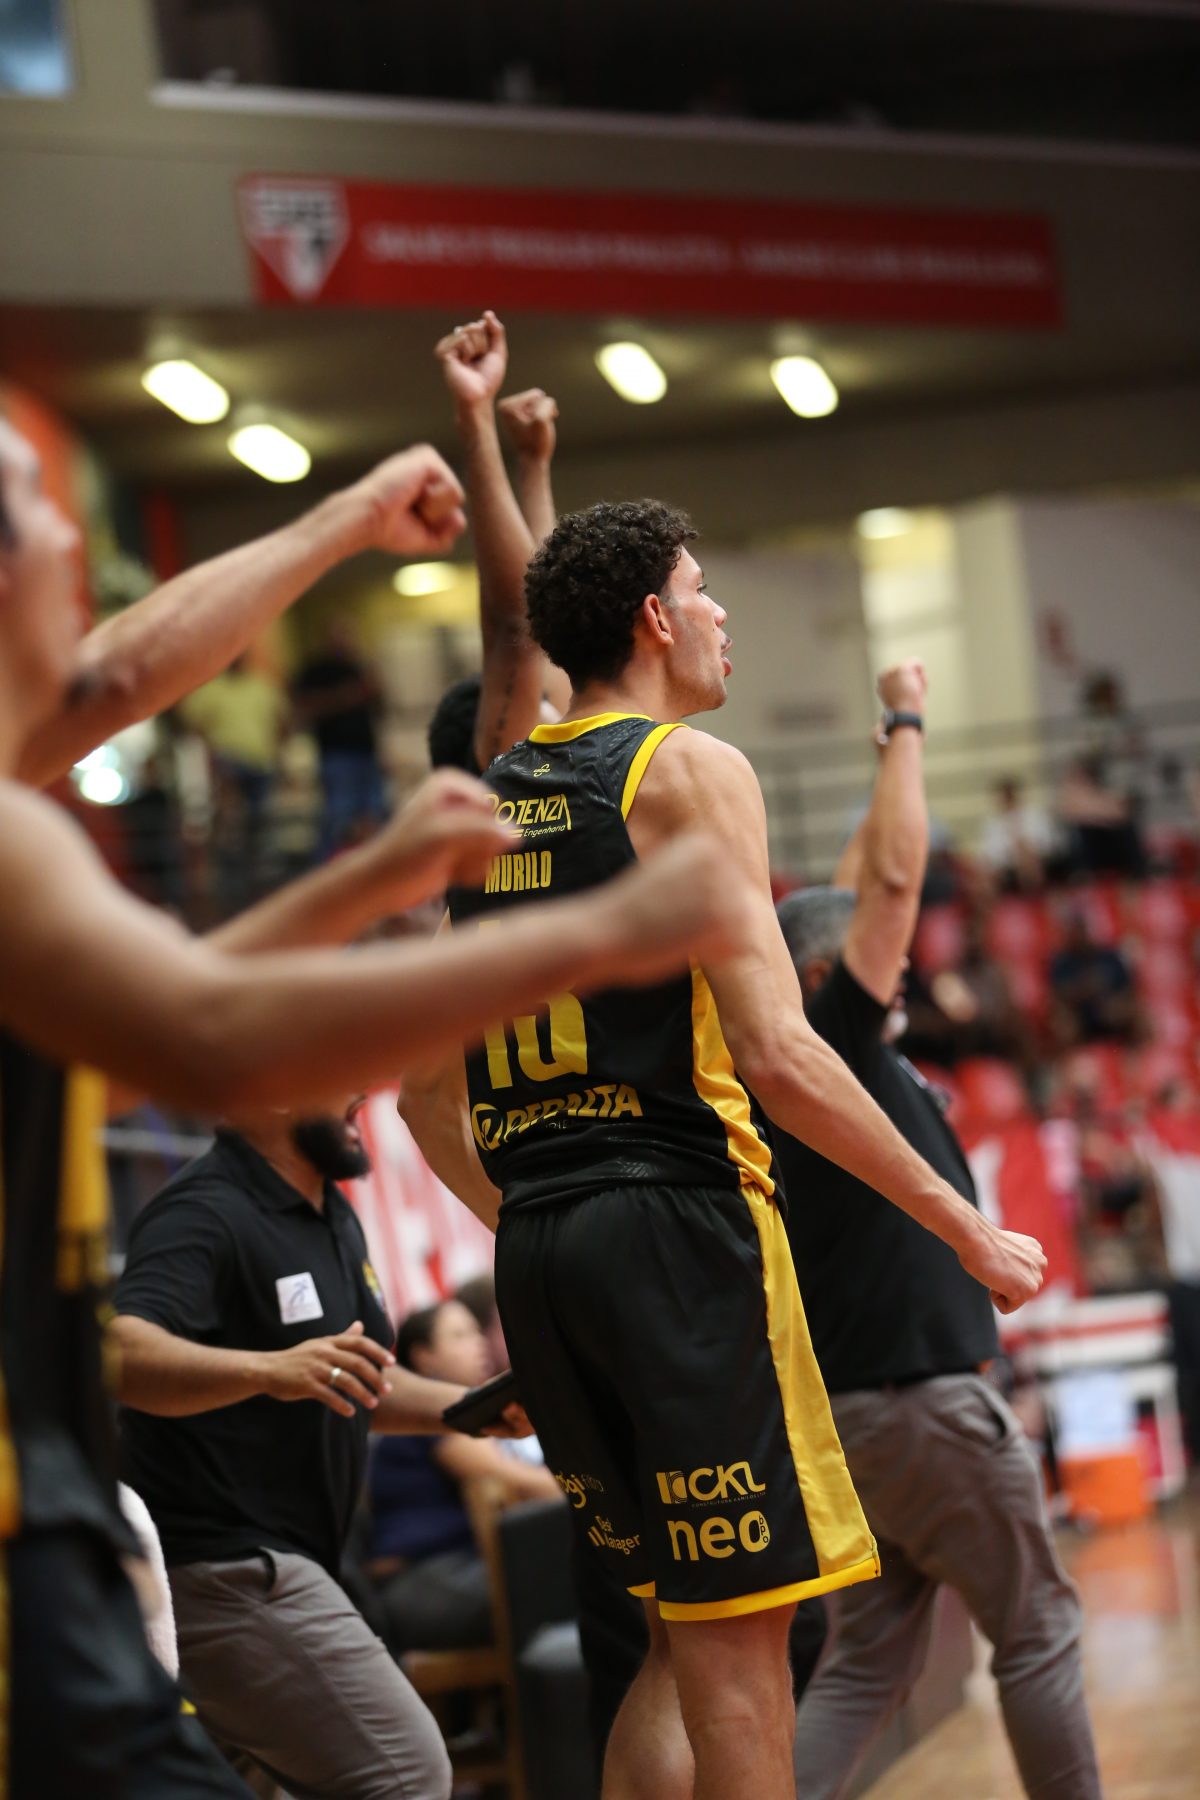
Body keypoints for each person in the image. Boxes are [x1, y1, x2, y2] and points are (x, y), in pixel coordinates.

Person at [0, 422, 737, 1796]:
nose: (71, 535)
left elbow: (130, 689)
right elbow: (208, 1034)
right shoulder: (14, 846)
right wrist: (602, 932)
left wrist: (341, 525)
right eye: (39, 500)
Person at [401, 499, 1046, 1799]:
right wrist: (965, 1227)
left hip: (542, 1249)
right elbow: (779, 1054)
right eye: (702, 589)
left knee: (671, 1639)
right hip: (681, 1239)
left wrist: (545, 1216)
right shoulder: (689, 772)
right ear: (653, 617)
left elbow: (423, 1101)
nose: (719, 612)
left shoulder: (492, 797)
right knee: (746, 1648)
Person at [773, 660, 1100, 1800]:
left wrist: (887, 769)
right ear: (829, 975)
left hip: (856, 1420)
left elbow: (859, 883)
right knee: (1039, 1628)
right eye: (886, 960)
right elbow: (893, 883)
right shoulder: (834, 1041)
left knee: (868, 1661)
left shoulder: (798, 1059)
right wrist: (909, 721)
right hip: (924, 1406)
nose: (904, 969)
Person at [114, 1099, 533, 1800]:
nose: (360, 1094)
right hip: (220, 1563)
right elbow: (123, 1354)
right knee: (406, 1771)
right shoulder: (202, 1210)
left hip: (291, 1558)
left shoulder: (332, 1212)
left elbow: (363, 1380)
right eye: (337, 1077)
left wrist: (472, 1411)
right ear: (275, 1088)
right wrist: (268, 1369)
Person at [365, 1298, 560, 1659]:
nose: (479, 1344)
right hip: (422, 1583)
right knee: (568, 1579)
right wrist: (591, 1487)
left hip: (464, 1568)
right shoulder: (428, 1417)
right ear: (424, 1357)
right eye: (459, 1335)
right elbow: (519, 1481)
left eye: (476, 1332)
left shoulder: (472, 1414)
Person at [425, 311, 569, 776]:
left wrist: (533, 464)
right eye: (540, 708)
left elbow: (550, 630)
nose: (559, 718)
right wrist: (474, 413)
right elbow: (520, 623)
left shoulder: (548, 761)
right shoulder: (501, 766)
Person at [292, 622, 388, 859]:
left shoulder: (358, 668)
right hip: (336, 754)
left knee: (373, 813)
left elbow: (379, 709)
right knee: (339, 815)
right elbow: (304, 709)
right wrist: (345, 697)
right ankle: (327, 865)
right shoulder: (315, 671)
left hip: (366, 752)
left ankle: (373, 865)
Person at [1049, 912, 1140, 1047]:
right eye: (1075, 930)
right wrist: (1085, 988)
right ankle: (1073, 1058)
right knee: (1063, 1024)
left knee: (1136, 1014)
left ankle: (1138, 1056)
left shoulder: (1110, 957)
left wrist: (1117, 1004)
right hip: (1079, 1015)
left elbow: (1129, 989)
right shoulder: (1062, 962)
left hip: (1110, 1011)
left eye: (1082, 929)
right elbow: (1059, 995)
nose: (1079, 935)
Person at [979, 775, 1060, 891]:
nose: (1007, 801)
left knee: (1027, 855)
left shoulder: (1034, 815)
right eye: (1003, 797)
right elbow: (991, 855)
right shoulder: (993, 825)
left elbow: (1047, 843)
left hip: (1036, 858)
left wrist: (1025, 848)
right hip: (1008, 867)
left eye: (1009, 796)